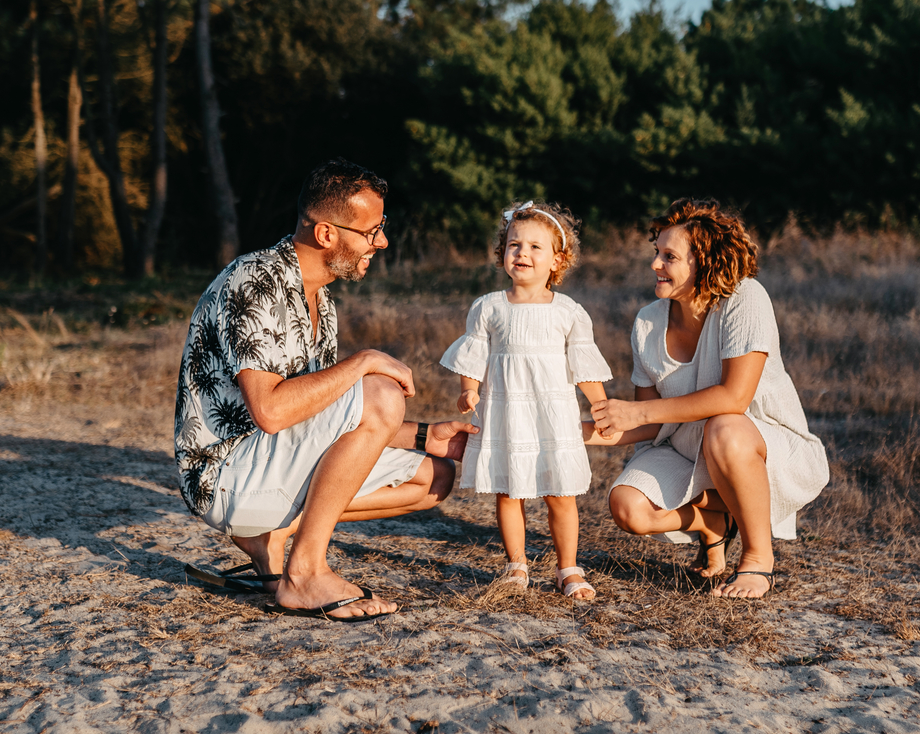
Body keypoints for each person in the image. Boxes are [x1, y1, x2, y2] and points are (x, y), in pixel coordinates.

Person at [174, 158, 477, 622]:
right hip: (226, 476)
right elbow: (272, 412)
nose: (382, 241)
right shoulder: (254, 283)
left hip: (269, 464)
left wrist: (424, 435)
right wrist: (365, 361)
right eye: (371, 231)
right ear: (326, 235)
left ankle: (268, 537)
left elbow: (325, 415)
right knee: (379, 390)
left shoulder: (321, 299)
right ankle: (305, 573)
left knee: (433, 478)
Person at [587, 199, 829, 599]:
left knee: (725, 427)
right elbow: (648, 423)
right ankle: (711, 522)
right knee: (627, 507)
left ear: (705, 264)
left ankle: (757, 560)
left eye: (669, 257)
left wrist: (637, 410)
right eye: (656, 253)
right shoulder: (648, 321)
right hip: (685, 448)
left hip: (759, 444)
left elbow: (734, 396)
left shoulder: (745, 299)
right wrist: (575, 432)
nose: (655, 265)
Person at [440, 201, 612, 600]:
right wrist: (469, 388)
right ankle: (516, 564)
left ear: (558, 259)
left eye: (536, 247)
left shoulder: (568, 311)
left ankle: (568, 567)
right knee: (509, 491)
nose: (523, 253)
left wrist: (600, 407)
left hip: (551, 416)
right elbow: (475, 353)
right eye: (514, 245)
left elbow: (583, 364)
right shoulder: (488, 307)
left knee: (560, 494)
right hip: (506, 411)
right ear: (502, 253)